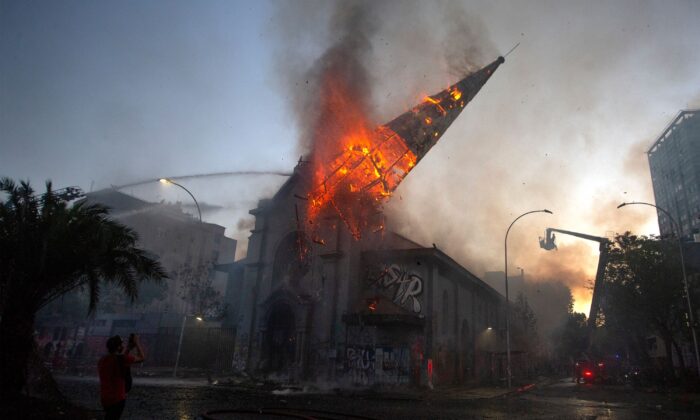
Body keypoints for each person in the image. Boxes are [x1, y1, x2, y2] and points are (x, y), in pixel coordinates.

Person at [98, 334, 145, 420]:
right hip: (118, 399)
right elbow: (142, 358)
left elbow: (120, 361)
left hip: (105, 398)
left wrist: (128, 349)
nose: (123, 346)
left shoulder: (102, 360)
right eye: (122, 344)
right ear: (119, 347)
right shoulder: (122, 359)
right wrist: (137, 342)